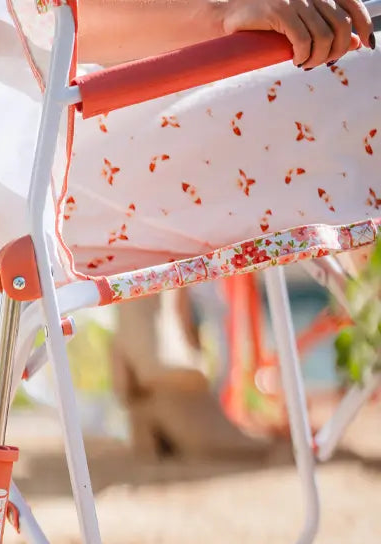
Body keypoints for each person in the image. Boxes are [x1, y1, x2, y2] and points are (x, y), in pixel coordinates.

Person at [69, 0, 378, 458]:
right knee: (365, 70)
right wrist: (225, 9)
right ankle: (161, 366)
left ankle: (159, 363)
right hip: (76, 155)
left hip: (30, 169)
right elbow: (37, 22)